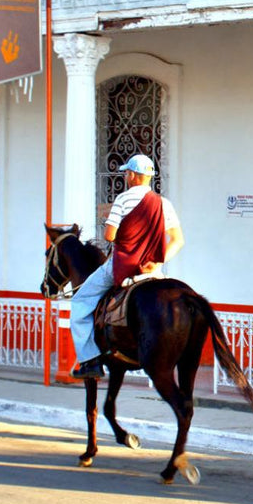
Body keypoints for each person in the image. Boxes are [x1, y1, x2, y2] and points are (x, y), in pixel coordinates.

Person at [70, 154, 185, 379]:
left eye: (127, 173)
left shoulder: (122, 199)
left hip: (122, 265)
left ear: (133, 175)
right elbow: (178, 240)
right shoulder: (164, 203)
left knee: (80, 301)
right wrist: (158, 262)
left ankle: (90, 361)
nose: (125, 176)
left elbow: (110, 235)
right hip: (151, 269)